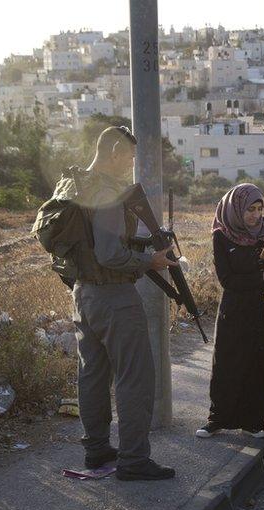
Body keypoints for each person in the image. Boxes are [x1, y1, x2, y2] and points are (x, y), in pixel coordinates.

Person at [70, 126, 178, 481]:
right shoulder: (108, 193)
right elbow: (109, 253)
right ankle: (133, 460)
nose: (132, 164)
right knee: (136, 377)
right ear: (115, 151)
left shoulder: (77, 184)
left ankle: (97, 450)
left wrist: (140, 247)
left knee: (93, 375)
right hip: (114, 295)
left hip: (83, 293)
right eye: (130, 157)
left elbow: (92, 246)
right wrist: (151, 261)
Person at [196, 183, 264, 439]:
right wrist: (263, 274)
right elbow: (227, 280)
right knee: (227, 362)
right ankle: (217, 419)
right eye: (250, 209)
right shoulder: (221, 235)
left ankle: (253, 422)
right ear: (236, 208)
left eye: (259, 208)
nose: (255, 215)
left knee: (258, 364)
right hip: (234, 309)